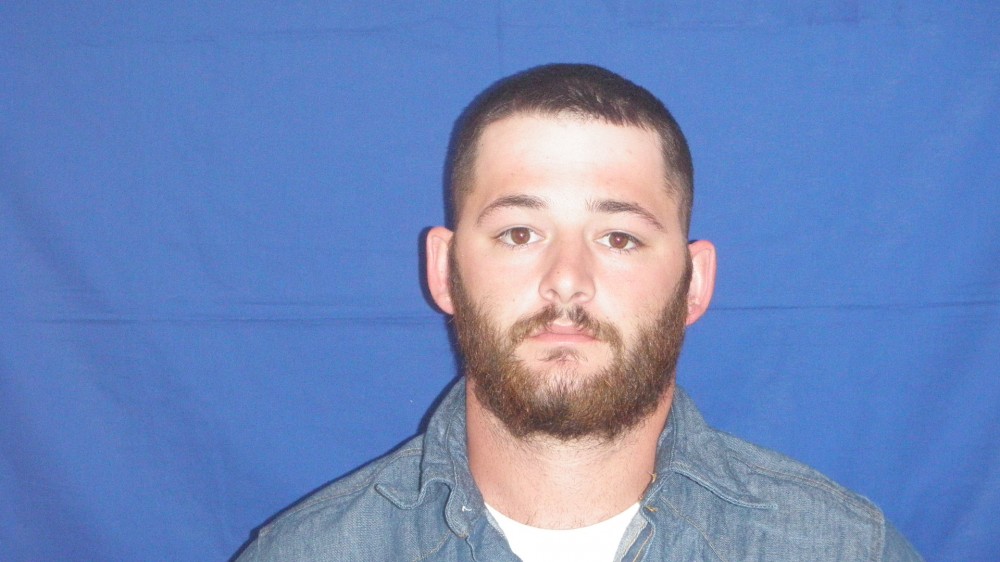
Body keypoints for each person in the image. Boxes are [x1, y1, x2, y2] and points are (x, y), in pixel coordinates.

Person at [235, 63, 922, 561]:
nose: (567, 280)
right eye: (519, 234)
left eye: (618, 238)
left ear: (694, 283)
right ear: (444, 270)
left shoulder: (843, 549)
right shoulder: (305, 553)